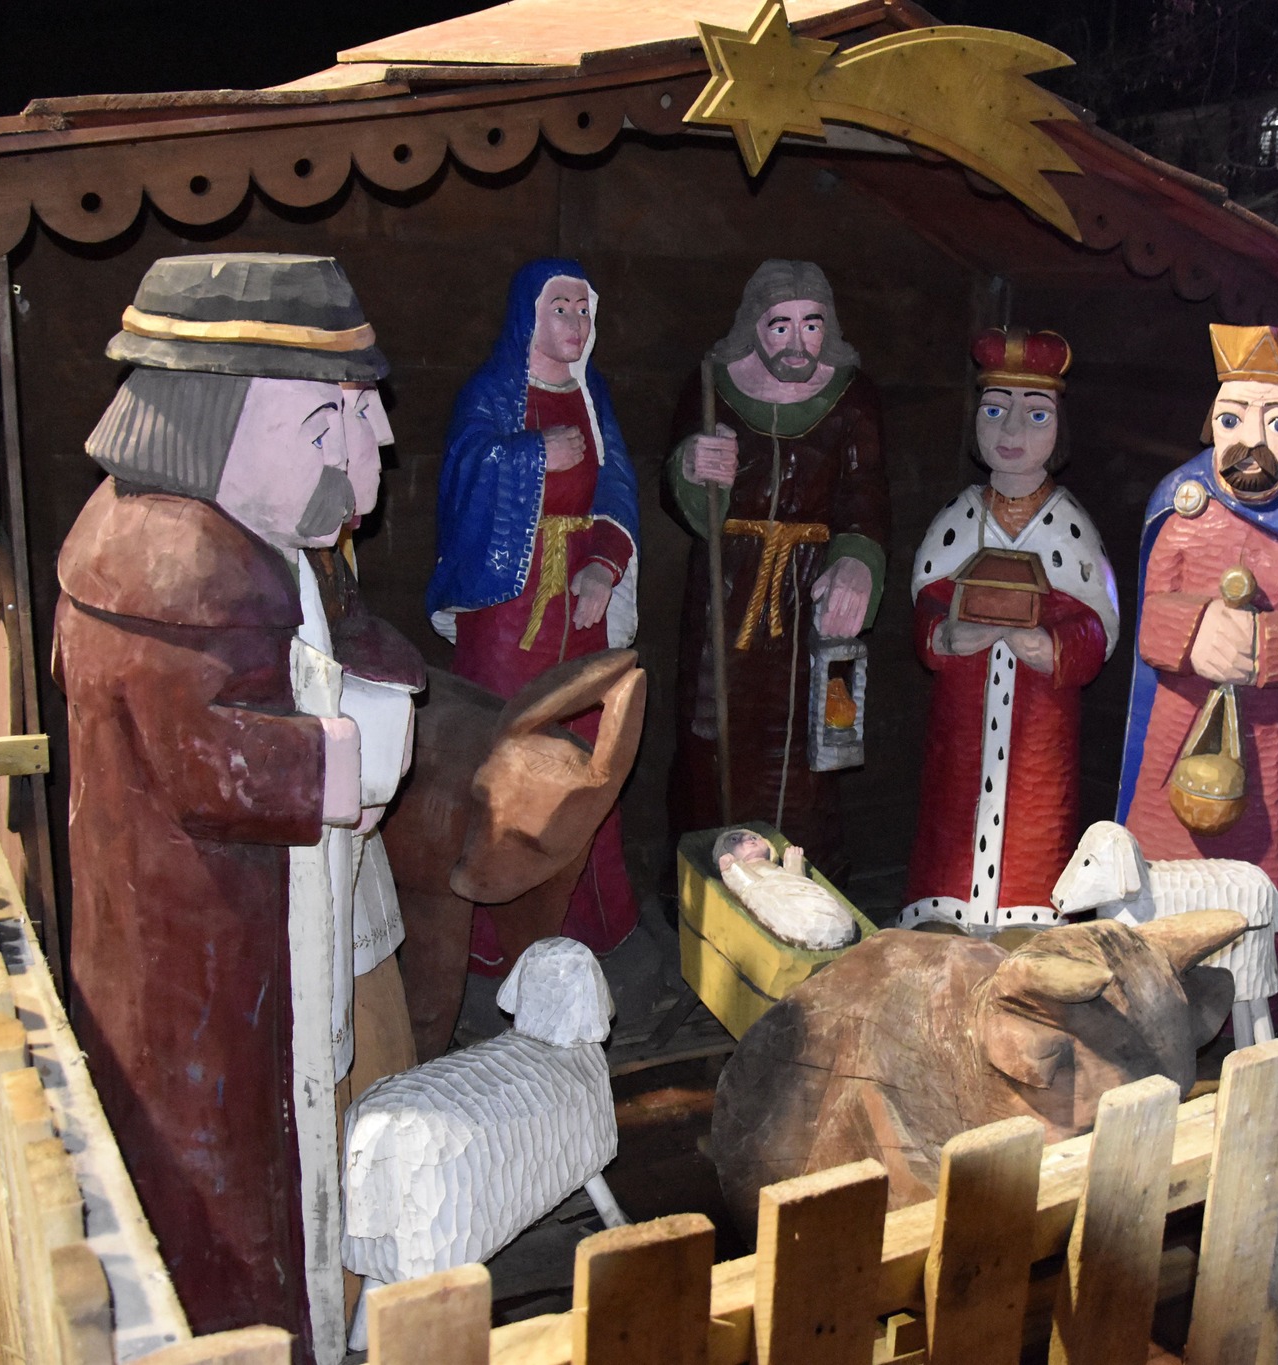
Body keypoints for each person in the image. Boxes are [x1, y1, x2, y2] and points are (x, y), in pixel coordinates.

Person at [53, 254, 424, 1359]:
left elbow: (322, 634)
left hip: (260, 929)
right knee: (227, 1166)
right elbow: (210, 760)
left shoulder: (256, 539)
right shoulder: (173, 565)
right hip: (209, 946)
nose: (372, 444)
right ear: (215, 425)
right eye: (328, 421)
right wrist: (344, 755)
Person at [1116, 324, 1278, 992]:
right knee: (1160, 864)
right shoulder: (1181, 505)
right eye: (1233, 419)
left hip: (1265, 743)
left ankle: (1251, 1000)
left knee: (1254, 882)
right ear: (1211, 422)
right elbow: (1150, 618)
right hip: (1174, 732)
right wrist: (1195, 630)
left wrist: (1263, 646)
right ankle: (1146, 987)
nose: (1253, 441)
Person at [426, 259, 641, 954]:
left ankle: (589, 920)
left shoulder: (591, 393)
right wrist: (530, 454)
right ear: (529, 315)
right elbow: (464, 470)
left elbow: (616, 484)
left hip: (579, 602)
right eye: (561, 308)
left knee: (587, 750)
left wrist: (604, 567)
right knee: (506, 745)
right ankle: (497, 936)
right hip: (509, 605)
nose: (575, 322)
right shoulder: (492, 391)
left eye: (583, 309)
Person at [667, 260, 890, 867]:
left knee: (808, 747)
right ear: (753, 326)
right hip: (726, 589)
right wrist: (693, 467)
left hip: (808, 593)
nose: (797, 342)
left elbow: (866, 498)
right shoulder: (712, 386)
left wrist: (856, 565)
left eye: (811, 325)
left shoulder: (852, 396)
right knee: (711, 738)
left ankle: (804, 878)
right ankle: (707, 880)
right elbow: (678, 489)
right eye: (780, 325)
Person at [901, 328, 1118, 934]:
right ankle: (943, 909)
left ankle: (1029, 914)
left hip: (1039, 725)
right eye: (995, 411)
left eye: (1036, 414)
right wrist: (945, 636)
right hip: (963, 720)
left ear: (1059, 428)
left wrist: (1053, 647)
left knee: (1037, 812)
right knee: (951, 807)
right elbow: (927, 602)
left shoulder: (1071, 526)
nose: (1012, 431)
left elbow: (1098, 622)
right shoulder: (959, 518)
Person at [713, 828, 857, 950]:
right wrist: (733, 870)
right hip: (771, 898)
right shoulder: (745, 868)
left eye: (754, 837)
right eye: (735, 840)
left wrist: (794, 870)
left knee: (813, 903)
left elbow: (795, 890)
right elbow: (754, 891)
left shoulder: (777, 868)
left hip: (806, 907)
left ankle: (830, 921)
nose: (749, 841)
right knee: (758, 893)